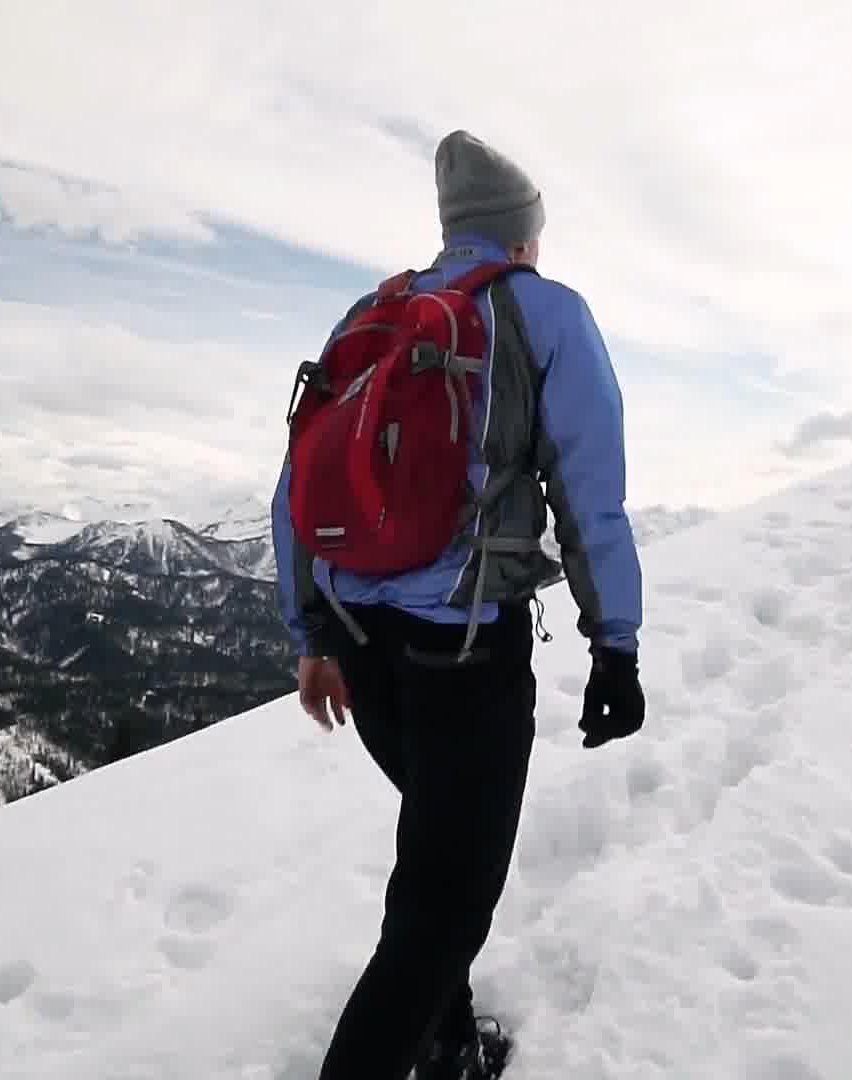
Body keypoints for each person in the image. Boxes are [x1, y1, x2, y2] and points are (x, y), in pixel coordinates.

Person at [271, 129, 647, 1080]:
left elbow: (296, 489)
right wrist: (616, 648)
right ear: (521, 236)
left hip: (363, 648)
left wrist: (312, 634)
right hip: (464, 657)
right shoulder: (543, 313)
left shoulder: (373, 312)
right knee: (443, 906)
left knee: (435, 866)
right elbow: (589, 497)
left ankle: (447, 1049)